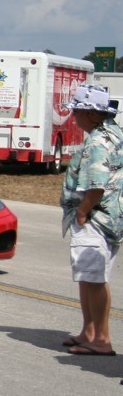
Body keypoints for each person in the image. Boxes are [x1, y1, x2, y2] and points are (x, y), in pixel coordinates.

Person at [59, 84, 123, 356]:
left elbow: (96, 184)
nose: (73, 115)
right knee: (88, 276)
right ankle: (89, 331)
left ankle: (101, 339)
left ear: (91, 114)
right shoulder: (112, 133)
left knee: (94, 279)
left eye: (77, 110)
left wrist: (83, 211)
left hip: (97, 219)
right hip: (110, 216)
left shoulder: (97, 141)